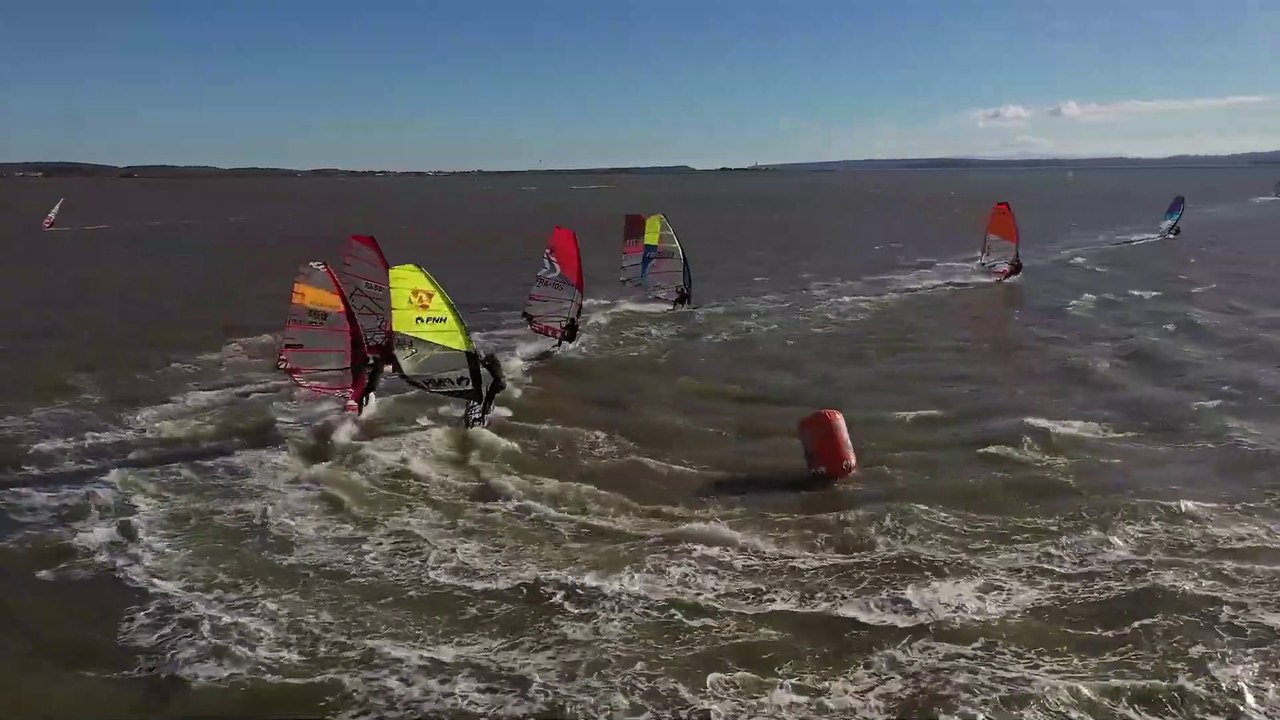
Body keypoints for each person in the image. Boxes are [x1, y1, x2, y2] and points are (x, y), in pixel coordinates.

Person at [466, 352, 507, 428]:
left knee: (488, 399)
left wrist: (477, 358)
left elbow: (485, 365)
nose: (486, 359)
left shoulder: (494, 365)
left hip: (498, 383)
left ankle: (484, 415)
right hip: (500, 382)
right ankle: (486, 412)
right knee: (489, 398)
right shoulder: (496, 364)